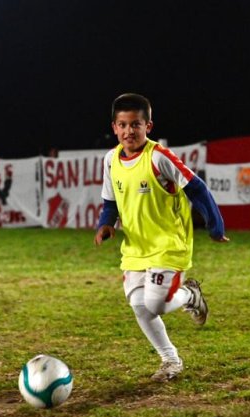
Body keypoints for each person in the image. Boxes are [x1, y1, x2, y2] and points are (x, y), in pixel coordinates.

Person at [94, 93, 229, 382]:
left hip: (169, 242)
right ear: (114, 127)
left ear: (148, 126)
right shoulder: (110, 160)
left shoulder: (159, 157)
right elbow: (110, 202)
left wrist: (215, 226)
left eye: (136, 125)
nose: (129, 131)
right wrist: (106, 225)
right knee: (138, 305)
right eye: (123, 125)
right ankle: (170, 360)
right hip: (136, 246)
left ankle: (190, 295)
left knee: (154, 304)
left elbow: (197, 188)